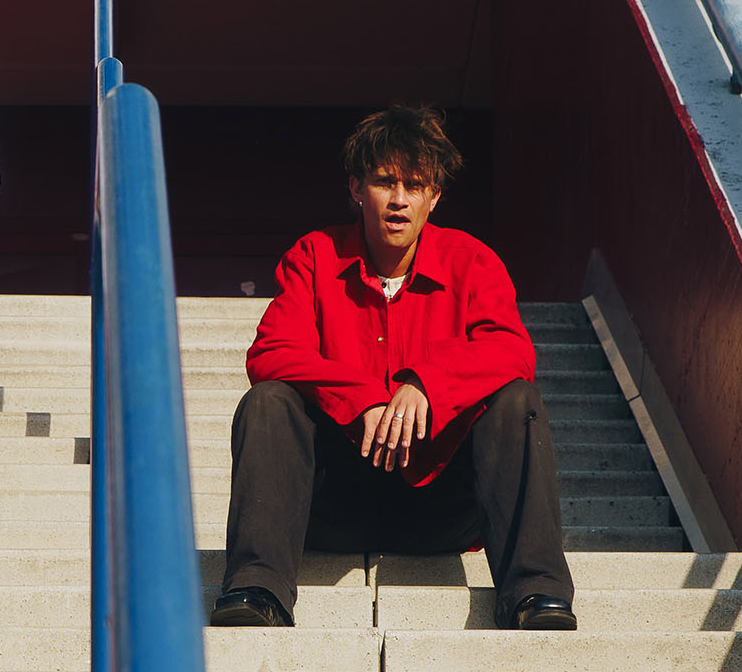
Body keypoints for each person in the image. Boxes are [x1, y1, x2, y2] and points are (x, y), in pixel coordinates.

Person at [211, 105, 577, 632]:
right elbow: (271, 350)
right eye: (385, 181)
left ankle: (535, 593)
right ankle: (256, 588)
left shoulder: (471, 261)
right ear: (357, 189)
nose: (399, 199)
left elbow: (511, 349)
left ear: (435, 197)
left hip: (441, 503)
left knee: (517, 400)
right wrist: (360, 397)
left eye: (415, 185)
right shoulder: (314, 256)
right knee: (268, 401)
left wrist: (425, 383)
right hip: (332, 501)